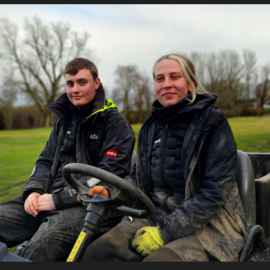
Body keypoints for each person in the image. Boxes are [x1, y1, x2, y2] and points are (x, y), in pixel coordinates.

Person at [80, 54, 248, 262]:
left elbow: (213, 194)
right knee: (97, 252)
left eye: (174, 77)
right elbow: (138, 180)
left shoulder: (213, 124)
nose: (166, 84)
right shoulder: (151, 125)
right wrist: (110, 191)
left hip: (209, 225)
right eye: (160, 79)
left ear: (191, 83)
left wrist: (164, 233)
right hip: (153, 214)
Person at [0, 58, 135, 262]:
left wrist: (58, 200)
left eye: (82, 82)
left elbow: (109, 175)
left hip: (89, 205)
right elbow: (45, 161)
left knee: (43, 242)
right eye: (70, 84)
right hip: (46, 197)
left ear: (96, 83)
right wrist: (34, 190)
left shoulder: (116, 125)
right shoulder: (63, 121)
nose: (75, 89)